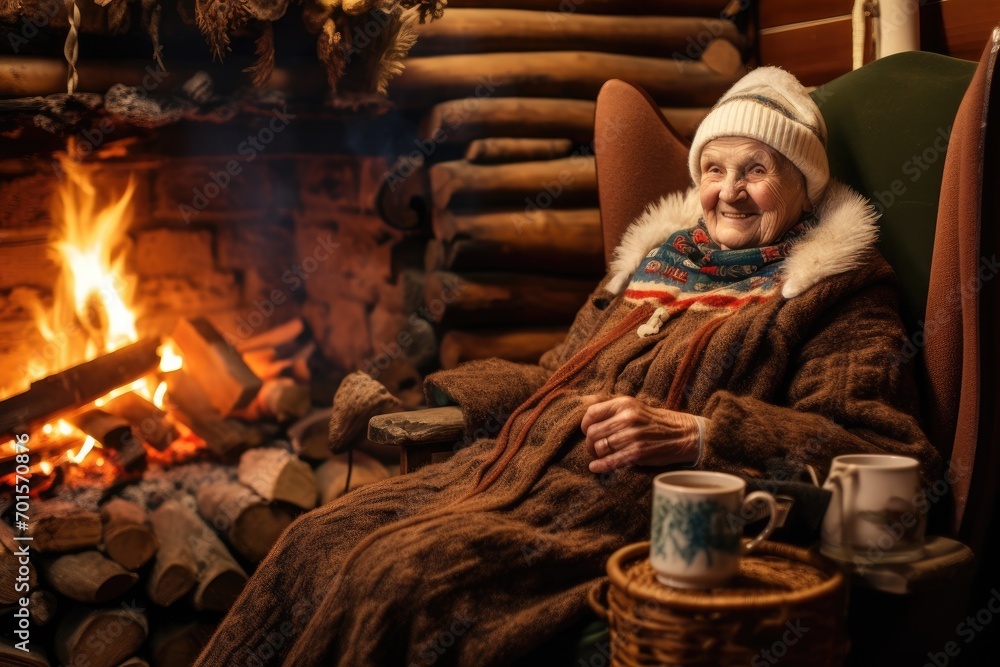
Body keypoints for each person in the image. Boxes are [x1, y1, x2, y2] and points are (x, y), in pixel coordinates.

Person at [195, 67, 940, 667]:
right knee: (314, 538)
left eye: (757, 169)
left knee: (398, 580)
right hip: (505, 467)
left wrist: (701, 435)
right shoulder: (660, 262)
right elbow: (558, 371)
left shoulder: (834, 289)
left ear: (804, 185)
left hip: (615, 510)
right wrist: (436, 404)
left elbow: (879, 445)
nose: (729, 190)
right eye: (713, 168)